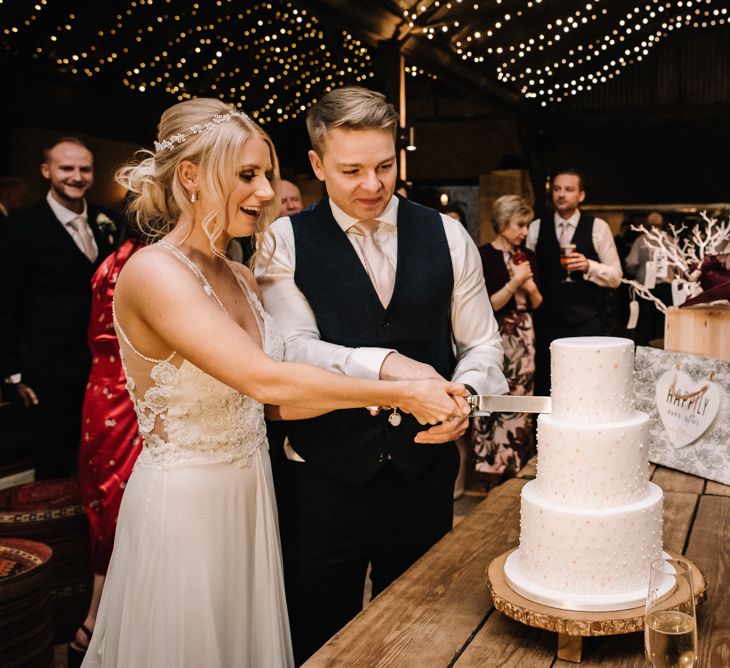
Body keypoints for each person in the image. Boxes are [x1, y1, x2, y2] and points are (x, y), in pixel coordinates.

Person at [82, 97, 466, 668]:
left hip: (254, 496)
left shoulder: (238, 271)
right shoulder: (153, 271)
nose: (265, 192)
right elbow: (264, 379)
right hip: (188, 508)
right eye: (246, 175)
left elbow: (277, 406)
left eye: (267, 174)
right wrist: (395, 388)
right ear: (189, 175)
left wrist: (404, 391)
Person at [255, 86, 508, 664]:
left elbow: (482, 344)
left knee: (422, 628)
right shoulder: (281, 242)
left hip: (423, 472)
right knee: (319, 632)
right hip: (322, 476)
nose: (372, 184)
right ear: (317, 165)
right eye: (351, 170)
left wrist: (466, 396)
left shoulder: (447, 234)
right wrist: (387, 367)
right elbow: (294, 349)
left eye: (384, 166)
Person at [0, 138, 118, 479]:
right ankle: (52, 530)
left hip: (102, 362)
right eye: (67, 168)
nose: (77, 177)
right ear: (46, 171)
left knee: (101, 454)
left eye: (85, 169)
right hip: (47, 368)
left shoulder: (107, 219)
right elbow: (7, 302)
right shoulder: (21, 227)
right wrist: (14, 372)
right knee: (53, 457)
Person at [69, 220, 145, 666]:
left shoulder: (113, 259)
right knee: (121, 506)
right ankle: (98, 626)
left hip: (102, 391)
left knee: (107, 504)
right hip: (125, 393)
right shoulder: (140, 264)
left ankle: (100, 624)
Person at [526, 169, 622, 396]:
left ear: (581, 195)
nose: (561, 194)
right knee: (548, 385)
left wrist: (589, 266)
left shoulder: (598, 227)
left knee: (587, 383)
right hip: (546, 321)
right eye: (557, 189)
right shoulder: (536, 227)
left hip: (587, 321)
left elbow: (616, 277)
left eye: (569, 189)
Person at [472, 195, 542, 483]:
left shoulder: (526, 256)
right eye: (519, 225)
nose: (524, 232)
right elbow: (489, 305)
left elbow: (537, 301)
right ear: (502, 223)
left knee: (521, 397)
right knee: (494, 394)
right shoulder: (483, 256)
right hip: (497, 333)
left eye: (526, 225)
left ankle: (518, 465)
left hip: (524, 336)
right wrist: (514, 283)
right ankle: (492, 469)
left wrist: (529, 285)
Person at [625, 211, 673, 345]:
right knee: (666, 323)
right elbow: (680, 262)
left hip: (646, 287)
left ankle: (642, 355)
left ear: (647, 224)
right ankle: (667, 351)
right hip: (666, 286)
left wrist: (638, 271)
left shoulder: (641, 240)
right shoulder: (669, 240)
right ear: (662, 224)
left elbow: (631, 262)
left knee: (645, 323)